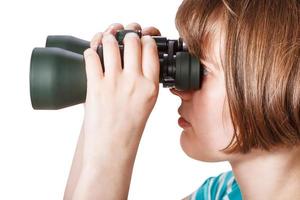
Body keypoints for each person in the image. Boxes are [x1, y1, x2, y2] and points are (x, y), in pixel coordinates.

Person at [63, 0, 300, 199]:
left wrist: (112, 152)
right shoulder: (219, 193)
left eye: (203, 71)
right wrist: (99, 111)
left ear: (280, 84)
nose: (179, 90)